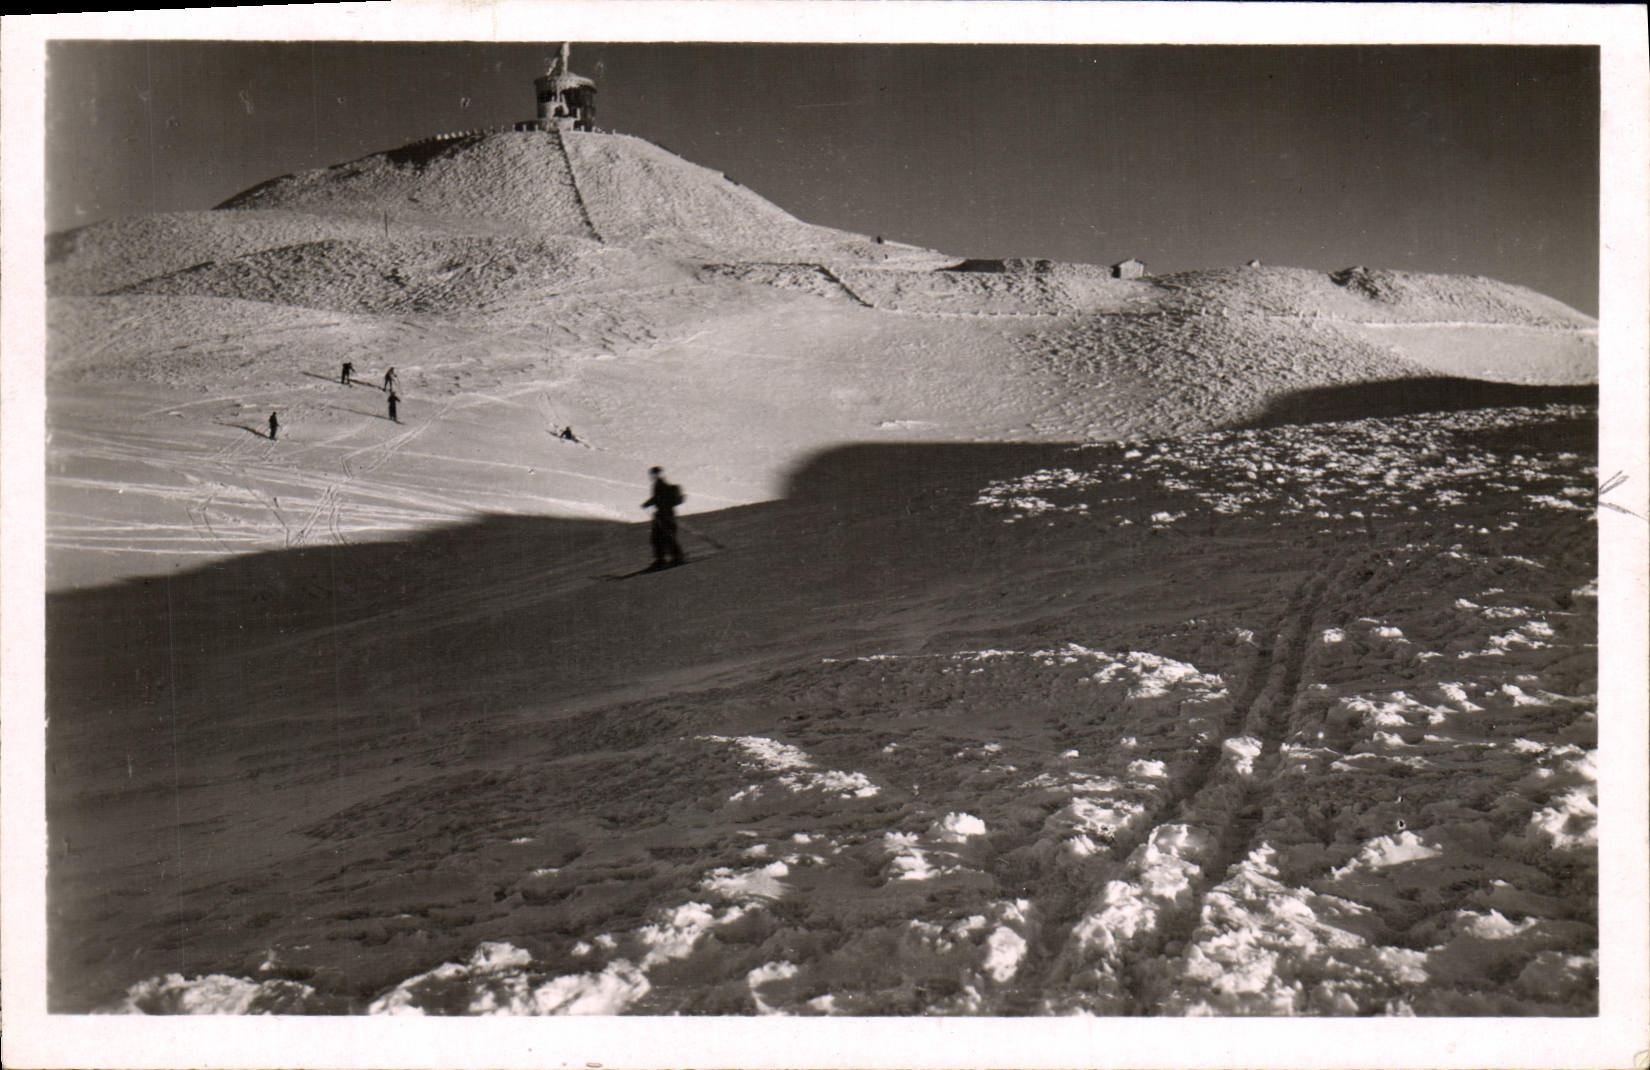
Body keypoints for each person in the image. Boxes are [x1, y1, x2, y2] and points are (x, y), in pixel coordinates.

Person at [642, 465, 685, 570]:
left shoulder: (660, 485)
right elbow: (658, 498)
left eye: (653, 474)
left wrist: (647, 504)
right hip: (665, 514)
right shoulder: (660, 484)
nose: (653, 476)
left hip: (664, 514)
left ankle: (666, 559)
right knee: (664, 536)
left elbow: (658, 498)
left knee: (662, 537)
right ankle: (673, 558)